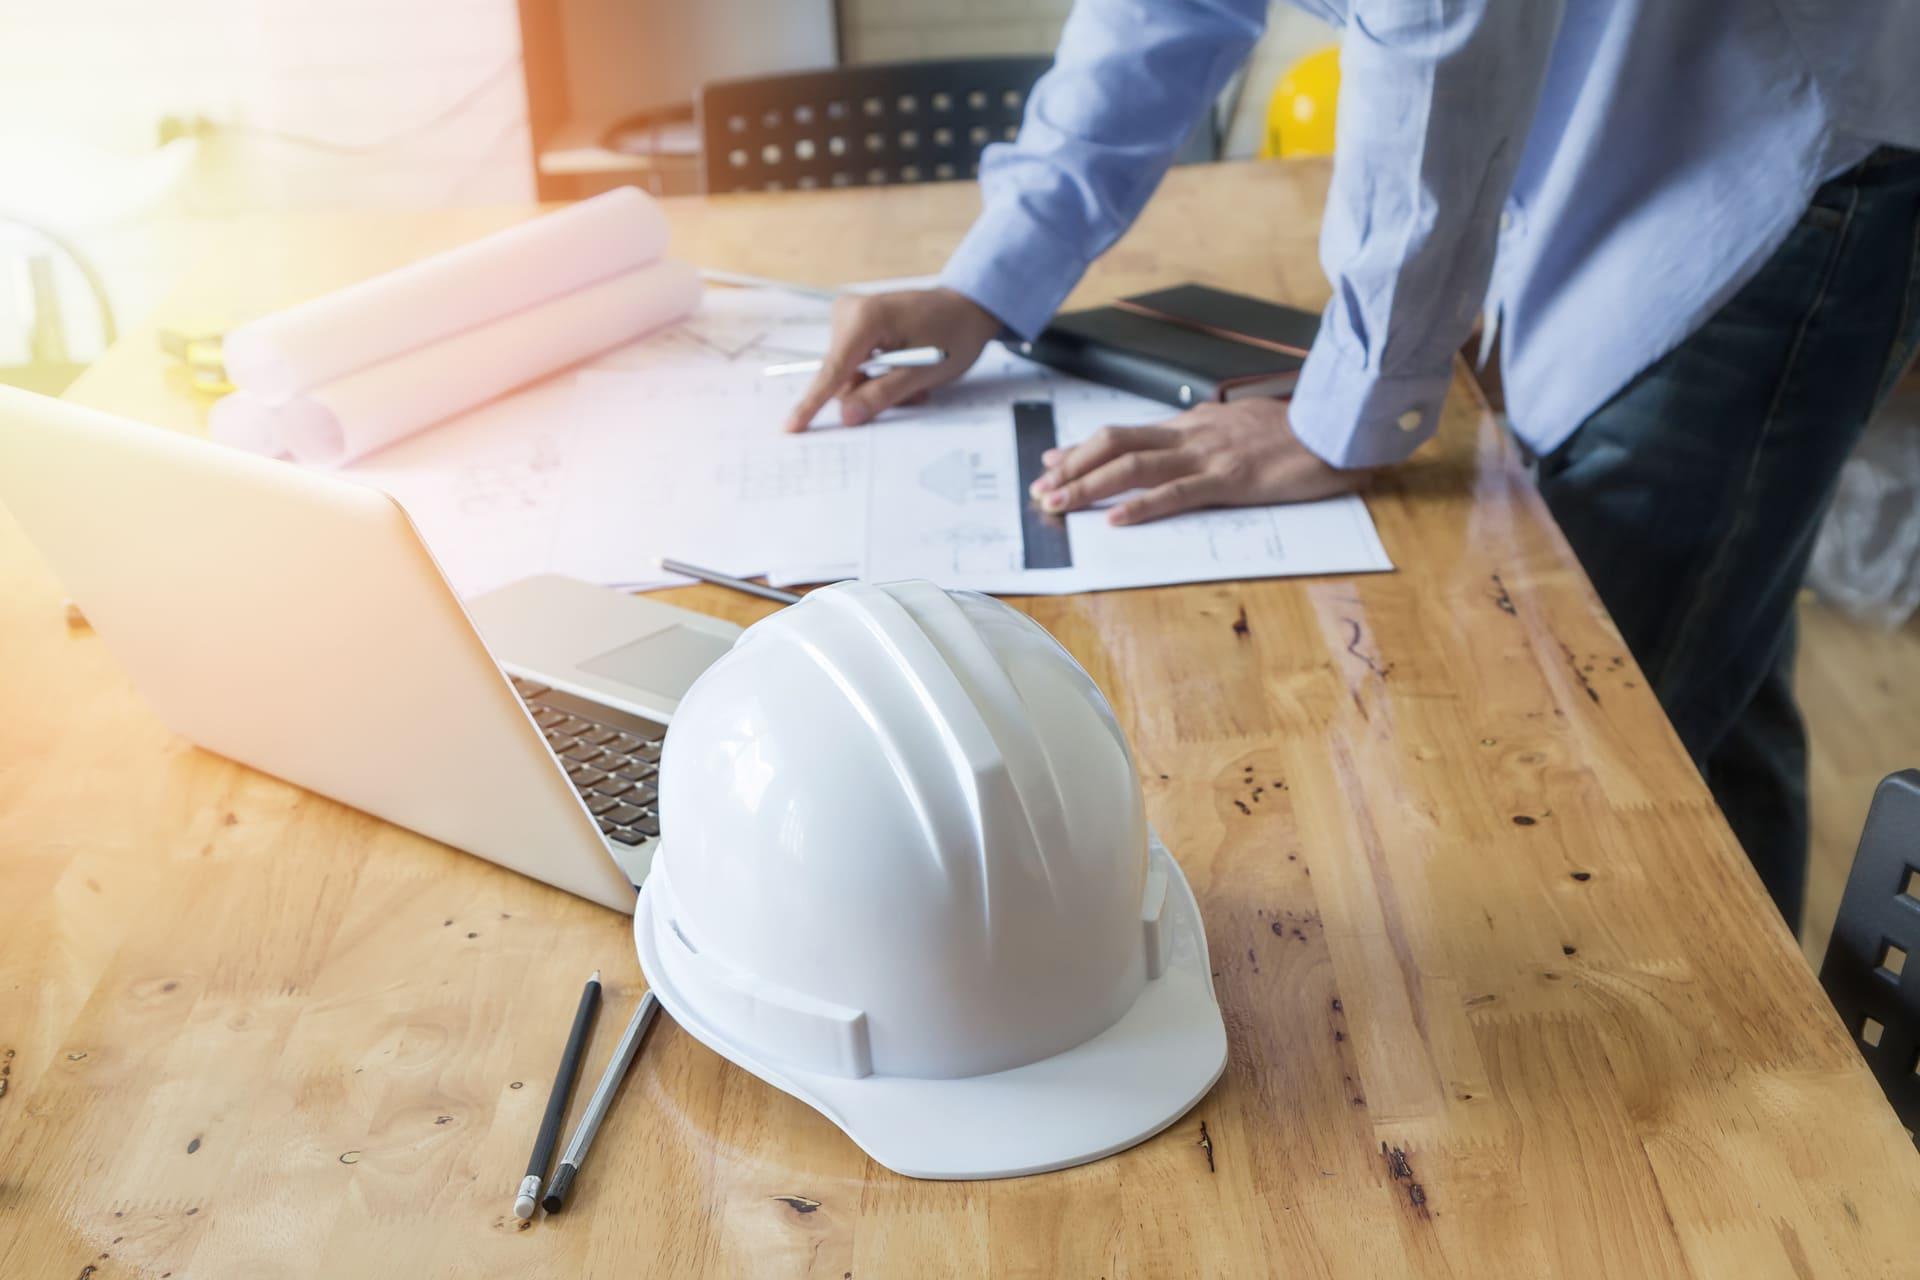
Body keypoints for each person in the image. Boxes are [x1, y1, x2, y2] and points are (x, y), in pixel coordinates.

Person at [783, 0, 1920, 931]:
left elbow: (1444, 25)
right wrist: (996, 273)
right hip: (1637, 100)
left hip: (1784, 134)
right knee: (1718, 629)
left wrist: (1346, 412)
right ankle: (1763, 1094)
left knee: (1586, 744)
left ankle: (1655, 1128)